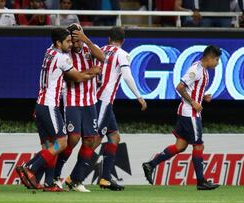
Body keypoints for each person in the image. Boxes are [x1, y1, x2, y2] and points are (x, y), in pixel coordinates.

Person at [16, 27, 101, 192]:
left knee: (50, 145)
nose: (70, 45)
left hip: (40, 105)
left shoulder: (49, 52)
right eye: (67, 41)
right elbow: (78, 77)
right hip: (49, 105)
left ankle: (49, 183)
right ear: (58, 42)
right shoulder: (62, 58)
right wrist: (94, 72)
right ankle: (28, 167)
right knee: (62, 143)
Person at [142, 45, 222, 191]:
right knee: (198, 145)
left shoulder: (201, 69)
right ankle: (201, 181)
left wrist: (202, 97)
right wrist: (193, 102)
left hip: (188, 112)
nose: (217, 63)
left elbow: (191, 89)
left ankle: (150, 165)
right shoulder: (196, 70)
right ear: (210, 58)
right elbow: (179, 87)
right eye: (217, 59)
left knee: (180, 146)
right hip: (189, 113)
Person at [92, 27, 147, 190]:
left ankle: (105, 178)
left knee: (114, 137)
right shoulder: (122, 54)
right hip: (103, 100)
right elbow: (128, 76)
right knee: (94, 140)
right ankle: (74, 177)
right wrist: (139, 96)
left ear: (109, 39)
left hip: (97, 99)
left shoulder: (100, 50)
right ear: (123, 41)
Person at [53, 23, 105, 192]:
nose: (76, 44)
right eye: (73, 41)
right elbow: (73, 78)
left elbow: (103, 58)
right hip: (72, 101)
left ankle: (76, 180)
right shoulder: (64, 53)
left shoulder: (89, 47)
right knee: (73, 139)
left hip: (90, 102)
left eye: (78, 40)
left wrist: (87, 41)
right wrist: (92, 71)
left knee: (90, 140)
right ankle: (55, 176)